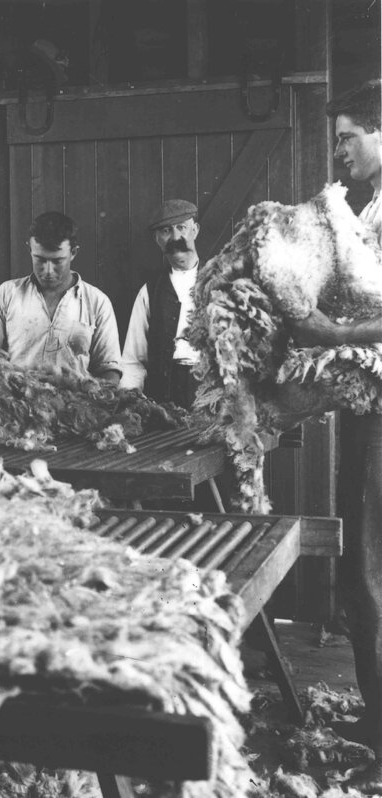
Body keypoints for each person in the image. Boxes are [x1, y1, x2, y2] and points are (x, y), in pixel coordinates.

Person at [293, 79, 381, 788]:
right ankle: (375, 715)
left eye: (347, 137)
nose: (339, 151)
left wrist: (337, 331)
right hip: (364, 403)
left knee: (368, 567)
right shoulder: (360, 210)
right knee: (361, 562)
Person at [0, 211, 121, 382]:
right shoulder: (7, 294)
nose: (47, 271)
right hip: (18, 404)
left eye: (57, 261)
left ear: (74, 253)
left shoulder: (97, 302)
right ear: (30, 249)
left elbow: (109, 369)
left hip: (77, 405)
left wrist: (100, 399)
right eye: (39, 259)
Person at [119, 199, 202, 407]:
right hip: (164, 399)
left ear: (195, 230)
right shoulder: (149, 292)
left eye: (182, 227)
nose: (175, 237)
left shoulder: (223, 284)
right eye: (166, 231)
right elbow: (132, 361)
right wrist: (128, 404)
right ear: (157, 239)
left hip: (212, 397)